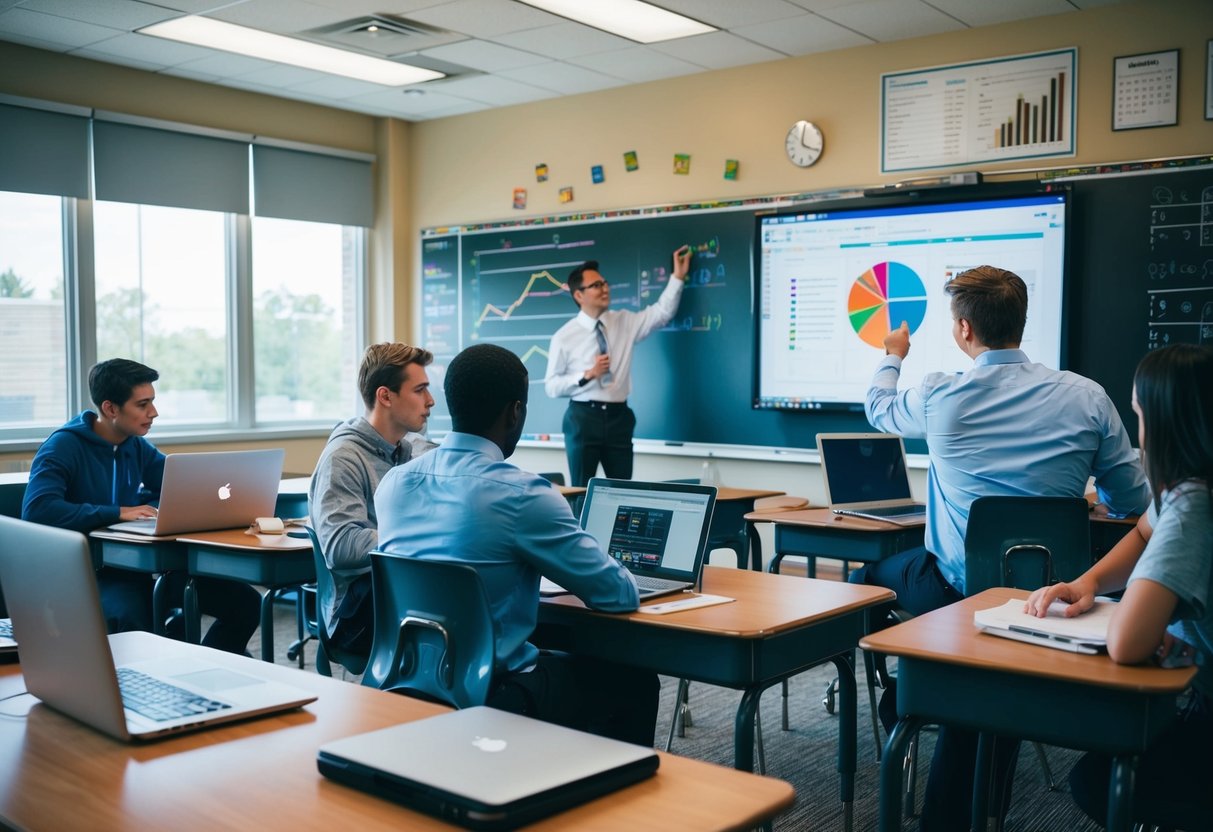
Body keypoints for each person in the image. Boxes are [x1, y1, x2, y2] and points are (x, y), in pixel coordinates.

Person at [853, 265, 1151, 831]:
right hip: (1055, 594)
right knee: (983, 668)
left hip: (955, 588)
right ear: (1020, 321)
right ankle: (929, 695)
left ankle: (904, 697)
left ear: (965, 330)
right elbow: (1131, 497)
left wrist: (893, 353)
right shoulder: (1087, 396)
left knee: (866, 579)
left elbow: (879, 409)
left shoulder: (940, 393)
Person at [377, 343, 659, 746]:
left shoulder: (393, 483)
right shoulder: (523, 494)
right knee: (633, 682)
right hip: (491, 692)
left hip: (405, 681)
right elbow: (617, 594)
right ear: (514, 411)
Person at [1026, 343, 1213, 828]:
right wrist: (1086, 582)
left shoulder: (1193, 503)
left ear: (1168, 422)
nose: (1138, 433)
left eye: (1140, 415)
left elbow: (1127, 643)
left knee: (1098, 778)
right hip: (1196, 693)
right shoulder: (1191, 488)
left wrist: (1140, 625)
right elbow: (1142, 531)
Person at [21, 358, 259, 654]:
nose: (153, 413)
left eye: (153, 402)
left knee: (246, 603)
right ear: (110, 408)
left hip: (140, 568)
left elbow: (178, 487)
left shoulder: (135, 445)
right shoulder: (63, 447)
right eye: (142, 404)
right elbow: (39, 510)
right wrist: (117, 512)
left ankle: (199, 666)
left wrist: (151, 505)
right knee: (135, 618)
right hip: (90, 574)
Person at [308, 342, 435, 654]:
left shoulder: (413, 449)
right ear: (385, 396)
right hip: (357, 611)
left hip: (400, 587)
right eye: (419, 390)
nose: (430, 401)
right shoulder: (343, 457)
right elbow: (341, 546)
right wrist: (417, 538)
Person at [544, 246, 692, 487]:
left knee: (623, 493)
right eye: (596, 285)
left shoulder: (624, 321)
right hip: (583, 417)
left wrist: (677, 277)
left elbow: (662, 313)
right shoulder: (564, 336)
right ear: (579, 295)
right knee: (581, 491)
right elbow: (551, 387)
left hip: (618, 417)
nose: (604, 288)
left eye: (605, 283)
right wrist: (587, 375)